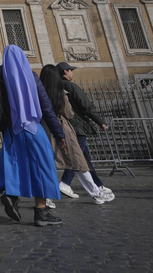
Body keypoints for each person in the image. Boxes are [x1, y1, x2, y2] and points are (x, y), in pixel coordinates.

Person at [0, 45, 63, 227]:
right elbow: (46, 107)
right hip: (32, 128)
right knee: (42, 166)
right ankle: (41, 211)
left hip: (11, 131)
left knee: (15, 164)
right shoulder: (31, 76)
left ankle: (11, 195)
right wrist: (59, 132)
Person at [39, 65, 108, 205]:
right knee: (78, 161)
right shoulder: (60, 92)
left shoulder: (38, 93)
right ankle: (96, 193)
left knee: (48, 164)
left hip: (44, 129)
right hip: (63, 130)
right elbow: (69, 113)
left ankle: (46, 198)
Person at [56, 62, 114, 202]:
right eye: (71, 70)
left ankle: (98, 185)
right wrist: (100, 121)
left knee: (85, 158)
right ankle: (65, 183)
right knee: (78, 157)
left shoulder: (55, 87)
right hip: (77, 126)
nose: (72, 73)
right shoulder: (71, 86)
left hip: (66, 126)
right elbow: (86, 105)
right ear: (65, 72)